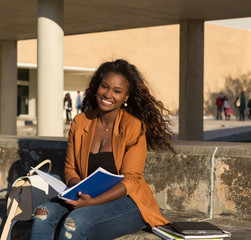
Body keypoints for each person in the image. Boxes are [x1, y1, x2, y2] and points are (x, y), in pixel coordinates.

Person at [31, 59, 175, 240]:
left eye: (117, 91)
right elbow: (70, 168)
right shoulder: (80, 122)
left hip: (127, 202)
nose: (108, 94)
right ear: (97, 87)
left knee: (74, 223)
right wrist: (79, 191)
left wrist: (92, 202)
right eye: (104, 87)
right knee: (42, 213)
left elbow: (131, 180)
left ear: (126, 97)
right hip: (84, 196)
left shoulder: (133, 126)